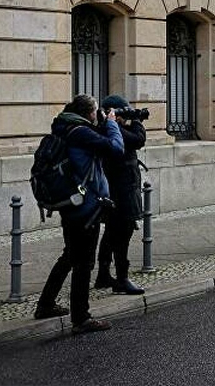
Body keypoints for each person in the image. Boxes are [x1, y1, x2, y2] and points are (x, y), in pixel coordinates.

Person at [35, 94, 122, 332]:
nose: (98, 115)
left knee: (70, 256)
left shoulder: (65, 128)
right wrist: (112, 123)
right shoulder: (81, 133)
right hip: (86, 208)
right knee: (84, 262)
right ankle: (81, 318)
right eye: (95, 111)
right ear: (87, 113)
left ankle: (45, 304)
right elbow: (116, 148)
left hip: (70, 204)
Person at [94, 95, 146, 295]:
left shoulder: (111, 129)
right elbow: (139, 139)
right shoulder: (112, 130)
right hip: (121, 189)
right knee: (123, 233)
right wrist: (136, 121)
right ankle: (122, 278)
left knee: (111, 233)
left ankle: (103, 274)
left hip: (120, 187)